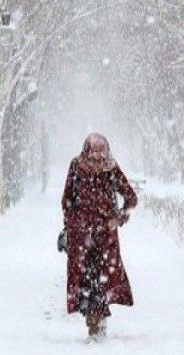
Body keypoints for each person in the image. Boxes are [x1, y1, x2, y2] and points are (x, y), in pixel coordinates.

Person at [61, 132, 138, 340]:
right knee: (85, 281)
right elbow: (67, 200)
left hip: (105, 239)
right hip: (81, 239)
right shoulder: (76, 167)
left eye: (100, 159)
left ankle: (97, 323)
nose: (96, 164)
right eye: (93, 159)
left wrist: (119, 219)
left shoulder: (111, 170)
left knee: (102, 281)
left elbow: (131, 198)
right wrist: (72, 225)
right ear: (86, 153)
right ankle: (93, 322)